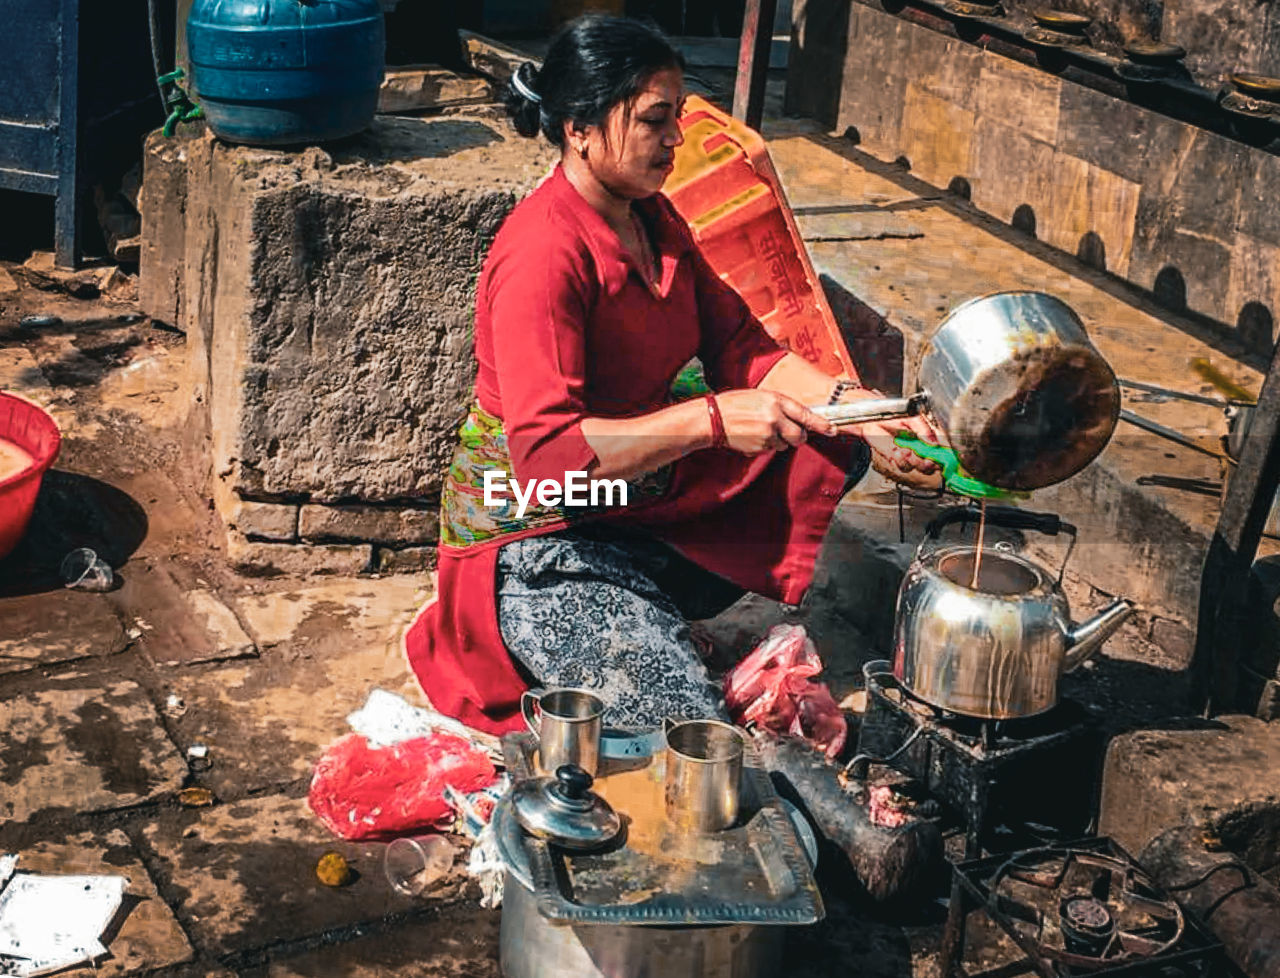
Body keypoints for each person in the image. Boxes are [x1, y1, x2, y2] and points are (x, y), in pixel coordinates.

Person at [404, 14, 938, 736]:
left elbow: (745, 349)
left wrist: (865, 412)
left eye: (676, 118)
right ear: (580, 128)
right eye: (656, 120)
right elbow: (548, 456)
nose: (675, 140)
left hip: (624, 500)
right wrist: (714, 421)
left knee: (826, 442)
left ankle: (639, 600)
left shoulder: (654, 218)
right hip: (534, 535)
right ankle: (586, 616)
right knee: (684, 725)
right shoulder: (542, 253)